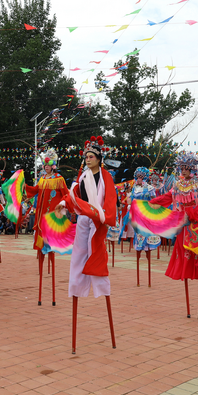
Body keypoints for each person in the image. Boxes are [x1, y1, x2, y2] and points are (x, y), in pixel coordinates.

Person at [59, 136, 117, 354]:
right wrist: (64, 204)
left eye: (91, 156)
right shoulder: (81, 176)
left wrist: (104, 217)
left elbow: (110, 200)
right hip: (83, 221)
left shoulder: (105, 177)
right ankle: (76, 284)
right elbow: (73, 196)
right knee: (79, 255)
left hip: (98, 221)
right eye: (85, 156)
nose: (87, 159)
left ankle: (101, 287)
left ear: (99, 158)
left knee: (97, 254)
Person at [149, 152, 198, 319]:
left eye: (186, 168)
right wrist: (152, 202)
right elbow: (168, 197)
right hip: (184, 224)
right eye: (181, 168)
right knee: (184, 253)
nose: (183, 170)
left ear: (192, 168)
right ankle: (187, 276)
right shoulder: (178, 184)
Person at [25, 148, 68, 305]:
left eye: (48, 164)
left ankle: (53, 294)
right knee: (41, 249)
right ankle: (41, 273)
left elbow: (66, 195)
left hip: (52, 219)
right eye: (44, 164)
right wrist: (24, 186)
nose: (46, 166)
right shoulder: (42, 179)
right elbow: (34, 191)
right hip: (40, 218)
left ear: (54, 164)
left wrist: (62, 206)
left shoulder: (59, 179)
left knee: (51, 251)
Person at [125, 167, 162, 287]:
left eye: (141, 177)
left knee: (148, 243)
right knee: (138, 241)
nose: (138, 179)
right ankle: (139, 276)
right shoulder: (135, 188)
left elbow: (154, 201)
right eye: (137, 177)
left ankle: (148, 256)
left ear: (145, 178)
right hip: (137, 217)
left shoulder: (150, 188)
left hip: (147, 216)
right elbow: (131, 200)